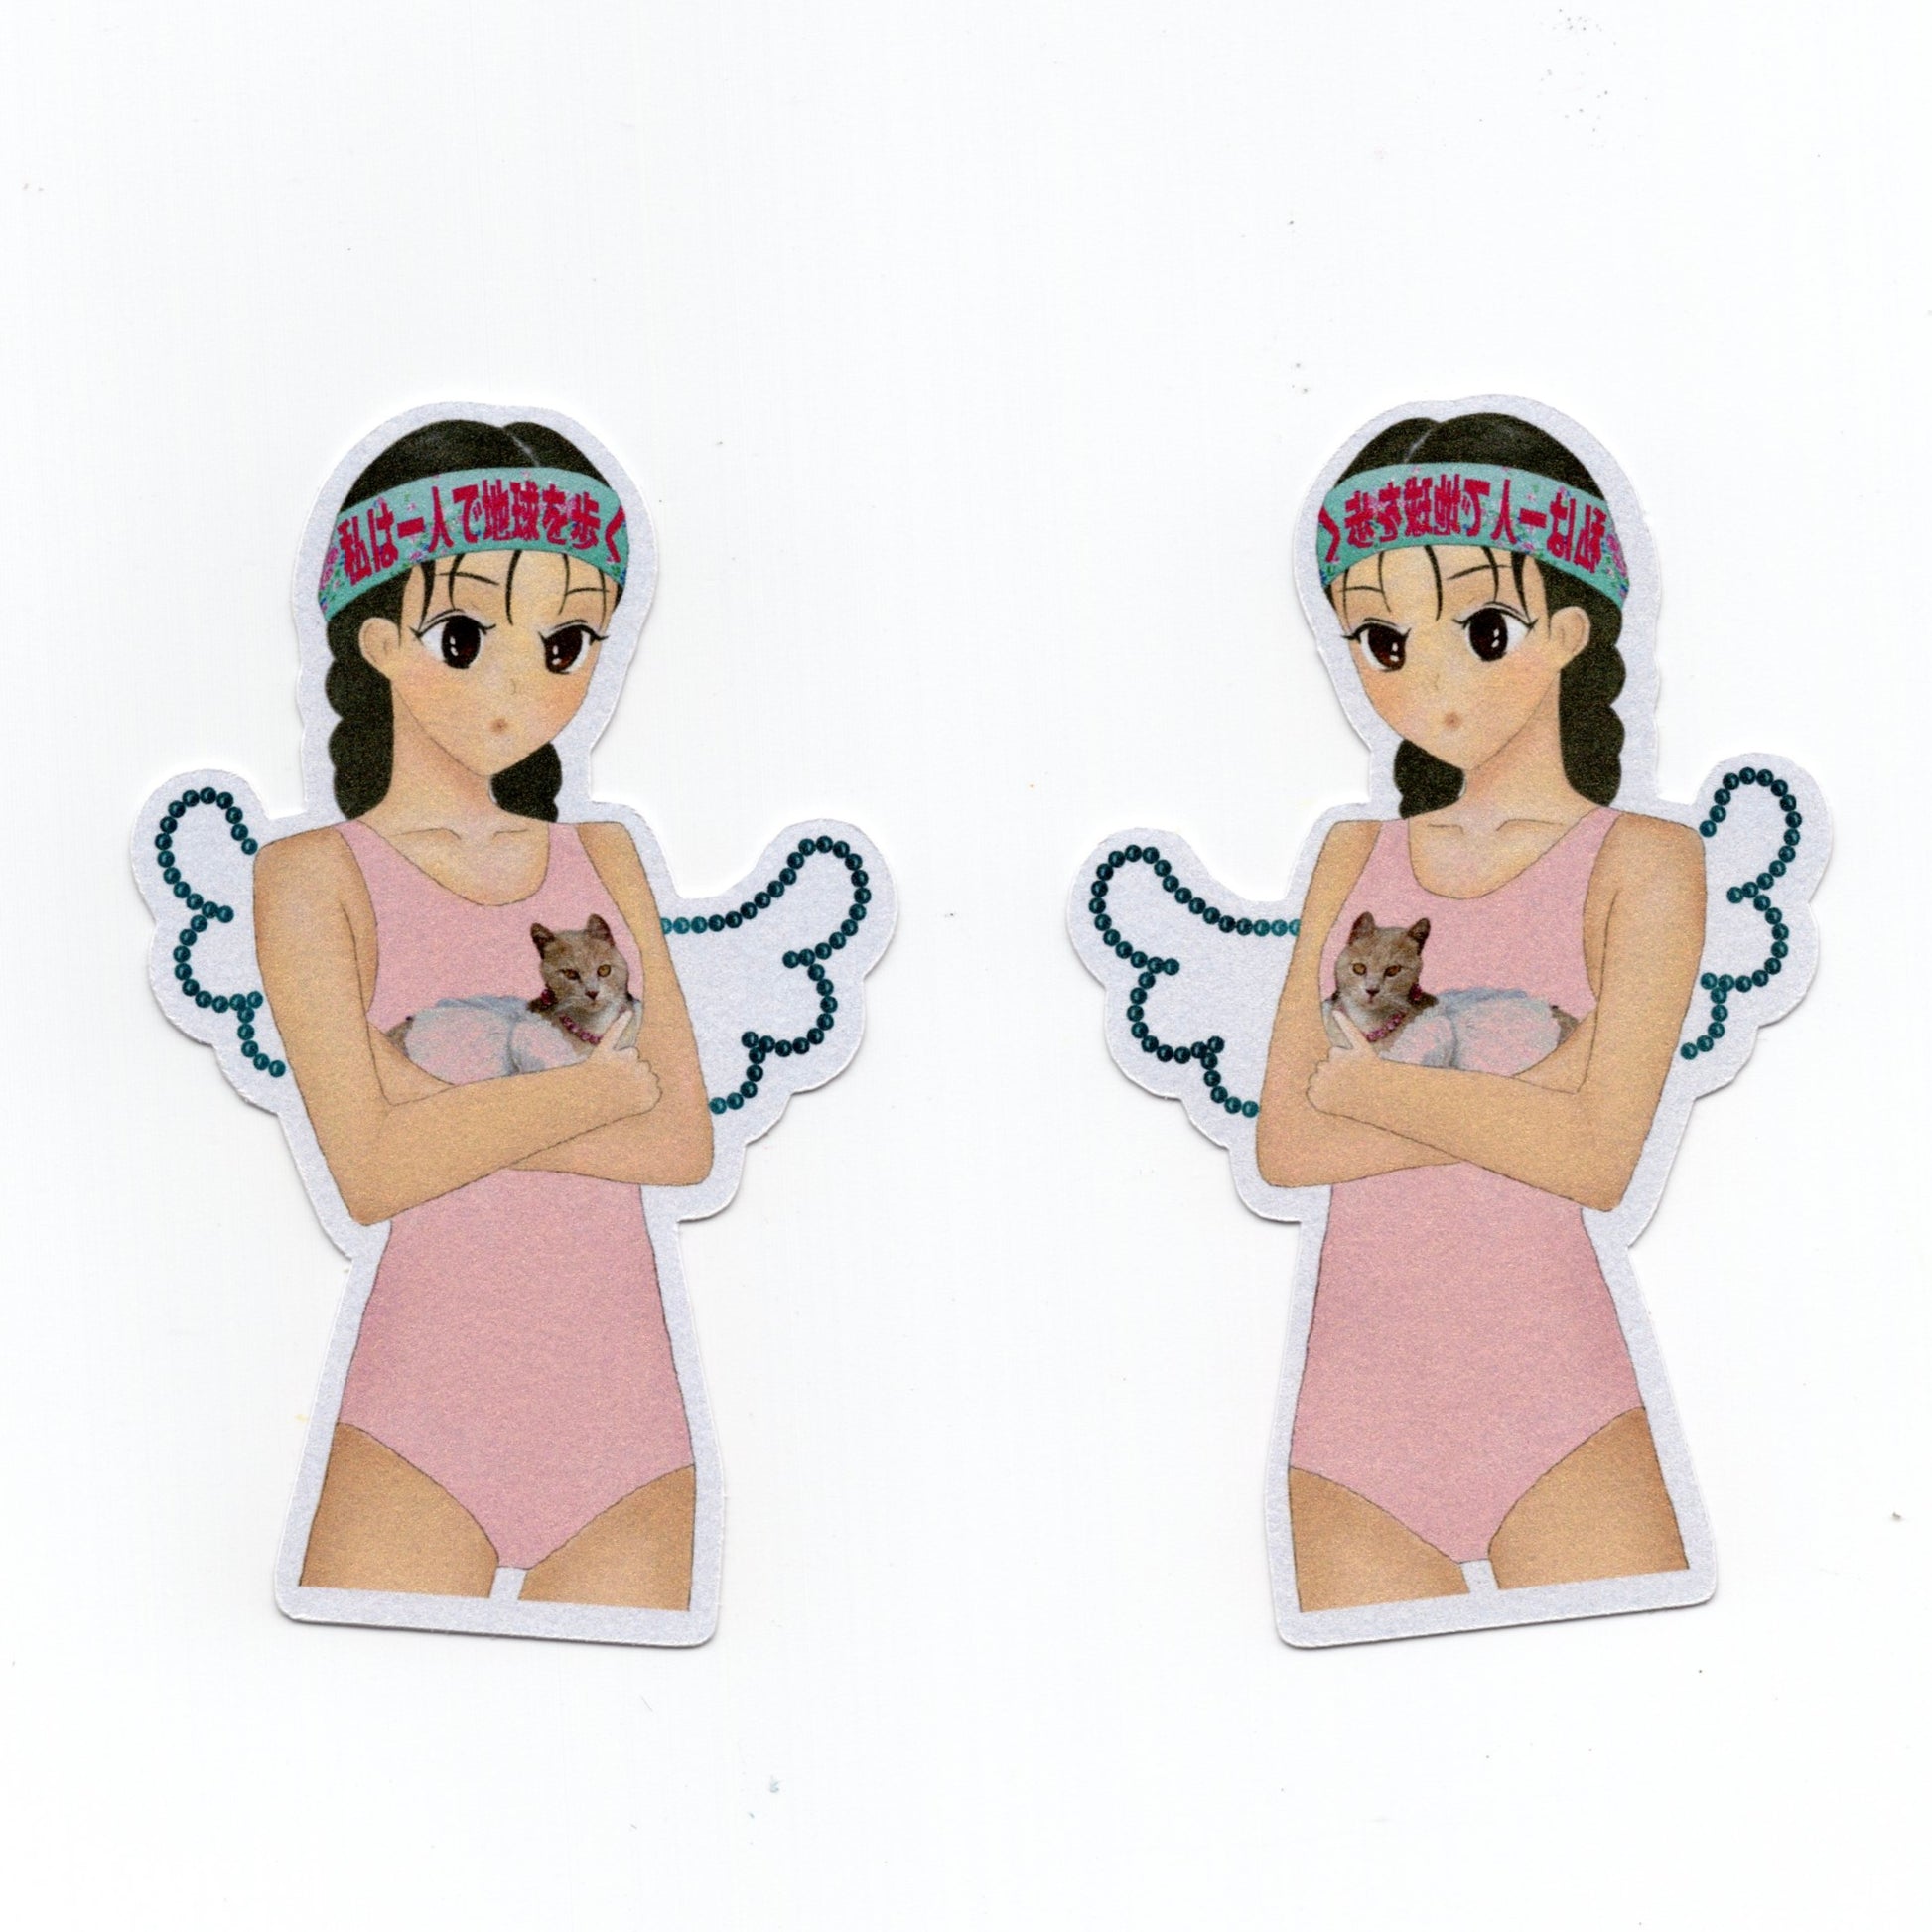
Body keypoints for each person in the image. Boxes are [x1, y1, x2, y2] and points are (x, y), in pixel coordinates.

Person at [255, 416, 714, 1610]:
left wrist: (421, 1088)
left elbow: (681, 1141)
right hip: (421, 1409)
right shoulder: (311, 875)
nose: (523, 680)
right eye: (466, 636)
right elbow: (370, 1170)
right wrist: (605, 1088)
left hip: (628, 1418)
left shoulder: (604, 856)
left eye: (565, 642)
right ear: (380, 641)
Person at [1256, 410, 1703, 1613]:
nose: (1425, 677)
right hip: (1350, 1424)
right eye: (1382, 639)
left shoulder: (1644, 860)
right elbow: (1285, 1141)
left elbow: (1596, 1157)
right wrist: (1544, 1075)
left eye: (1479, 628)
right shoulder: (1350, 855)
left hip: (1558, 1397)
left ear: (1566, 630)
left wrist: (1359, 1086)